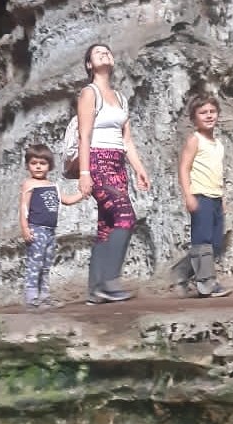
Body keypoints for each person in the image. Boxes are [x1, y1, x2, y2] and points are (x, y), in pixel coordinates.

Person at [77, 43, 150, 305]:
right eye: (98, 53)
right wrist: (84, 172)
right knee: (125, 218)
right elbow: (84, 135)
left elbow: (127, 140)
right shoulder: (89, 93)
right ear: (89, 64)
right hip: (98, 161)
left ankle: (95, 290)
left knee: (107, 227)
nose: (104, 53)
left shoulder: (120, 97)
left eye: (107, 51)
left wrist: (139, 169)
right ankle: (110, 282)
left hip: (118, 164)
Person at [170, 93, 232, 298]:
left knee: (216, 243)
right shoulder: (194, 140)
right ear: (194, 118)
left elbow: (218, 173)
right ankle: (207, 283)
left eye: (212, 111)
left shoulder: (218, 144)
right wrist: (188, 196)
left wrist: (222, 198)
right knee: (202, 241)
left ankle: (181, 271)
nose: (209, 115)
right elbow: (184, 168)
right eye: (203, 112)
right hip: (200, 195)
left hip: (215, 197)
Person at [20, 143, 84, 310]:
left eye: (42, 163)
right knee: (35, 264)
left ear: (49, 165)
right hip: (36, 229)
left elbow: (67, 200)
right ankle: (32, 298)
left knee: (46, 265)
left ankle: (44, 297)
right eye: (34, 163)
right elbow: (24, 208)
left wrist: (83, 194)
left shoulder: (53, 185)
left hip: (50, 231)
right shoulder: (29, 184)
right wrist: (25, 228)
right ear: (28, 165)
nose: (38, 166)